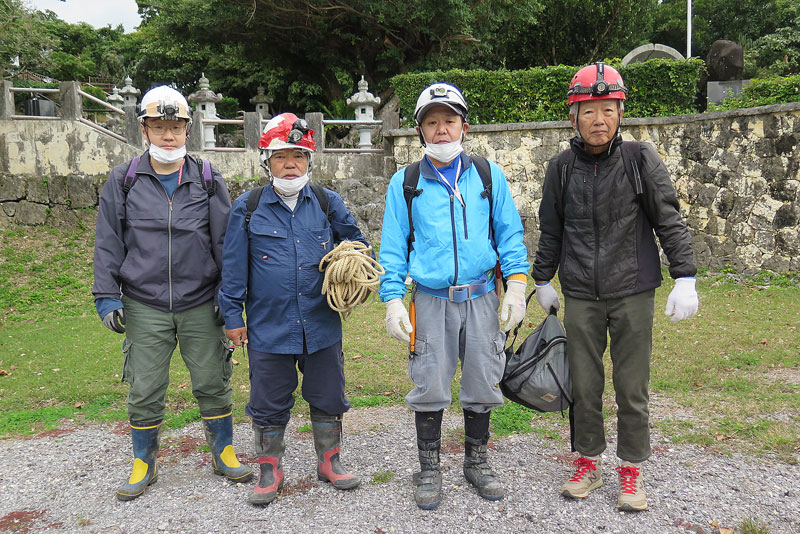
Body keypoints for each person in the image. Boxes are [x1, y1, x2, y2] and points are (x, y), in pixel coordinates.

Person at [531, 62, 699, 512]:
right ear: (573, 116)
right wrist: (542, 278)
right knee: (584, 384)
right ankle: (588, 460)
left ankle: (631, 468)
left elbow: (668, 219)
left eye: (608, 109)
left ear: (621, 112)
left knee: (631, 385)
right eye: (589, 110)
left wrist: (685, 277)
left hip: (633, 291)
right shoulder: (561, 168)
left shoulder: (640, 159)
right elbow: (551, 230)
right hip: (582, 294)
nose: (599, 119)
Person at [93, 85, 252, 501]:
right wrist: (106, 296)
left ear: (188, 129)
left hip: (201, 300)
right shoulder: (123, 180)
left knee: (212, 380)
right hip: (144, 303)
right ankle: (144, 460)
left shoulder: (205, 177)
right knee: (144, 387)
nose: (168, 135)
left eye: (176, 127)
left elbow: (226, 242)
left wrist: (229, 296)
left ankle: (224, 450)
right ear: (144, 129)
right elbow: (109, 241)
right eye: (159, 127)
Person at [379, 83, 529, 510]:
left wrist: (516, 285)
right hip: (429, 299)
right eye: (431, 122)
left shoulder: (487, 174)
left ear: (464, 124)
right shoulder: (404, 183)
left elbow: (510, 234)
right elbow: (392, 248)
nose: (441, 130)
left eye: (449, 120)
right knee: (428, 384)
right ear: (420, 130)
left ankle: (476, 462)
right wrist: (392, 299)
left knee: (483, 379)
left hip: (482, 297)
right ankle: (428, 468)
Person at [218, 112, 369, 506]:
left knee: (328, 395)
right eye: (282, 156)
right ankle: (270, 468)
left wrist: (351, 264)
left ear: (309, 161)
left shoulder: (326, 201)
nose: (290, 164)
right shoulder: (247, 207)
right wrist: (232, 317)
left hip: (321, 324)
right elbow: (232, 269)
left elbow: (358, 244)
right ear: (266, 160)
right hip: (269, 328)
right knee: (268, 402)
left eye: (299, 156)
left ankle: (329, 461)